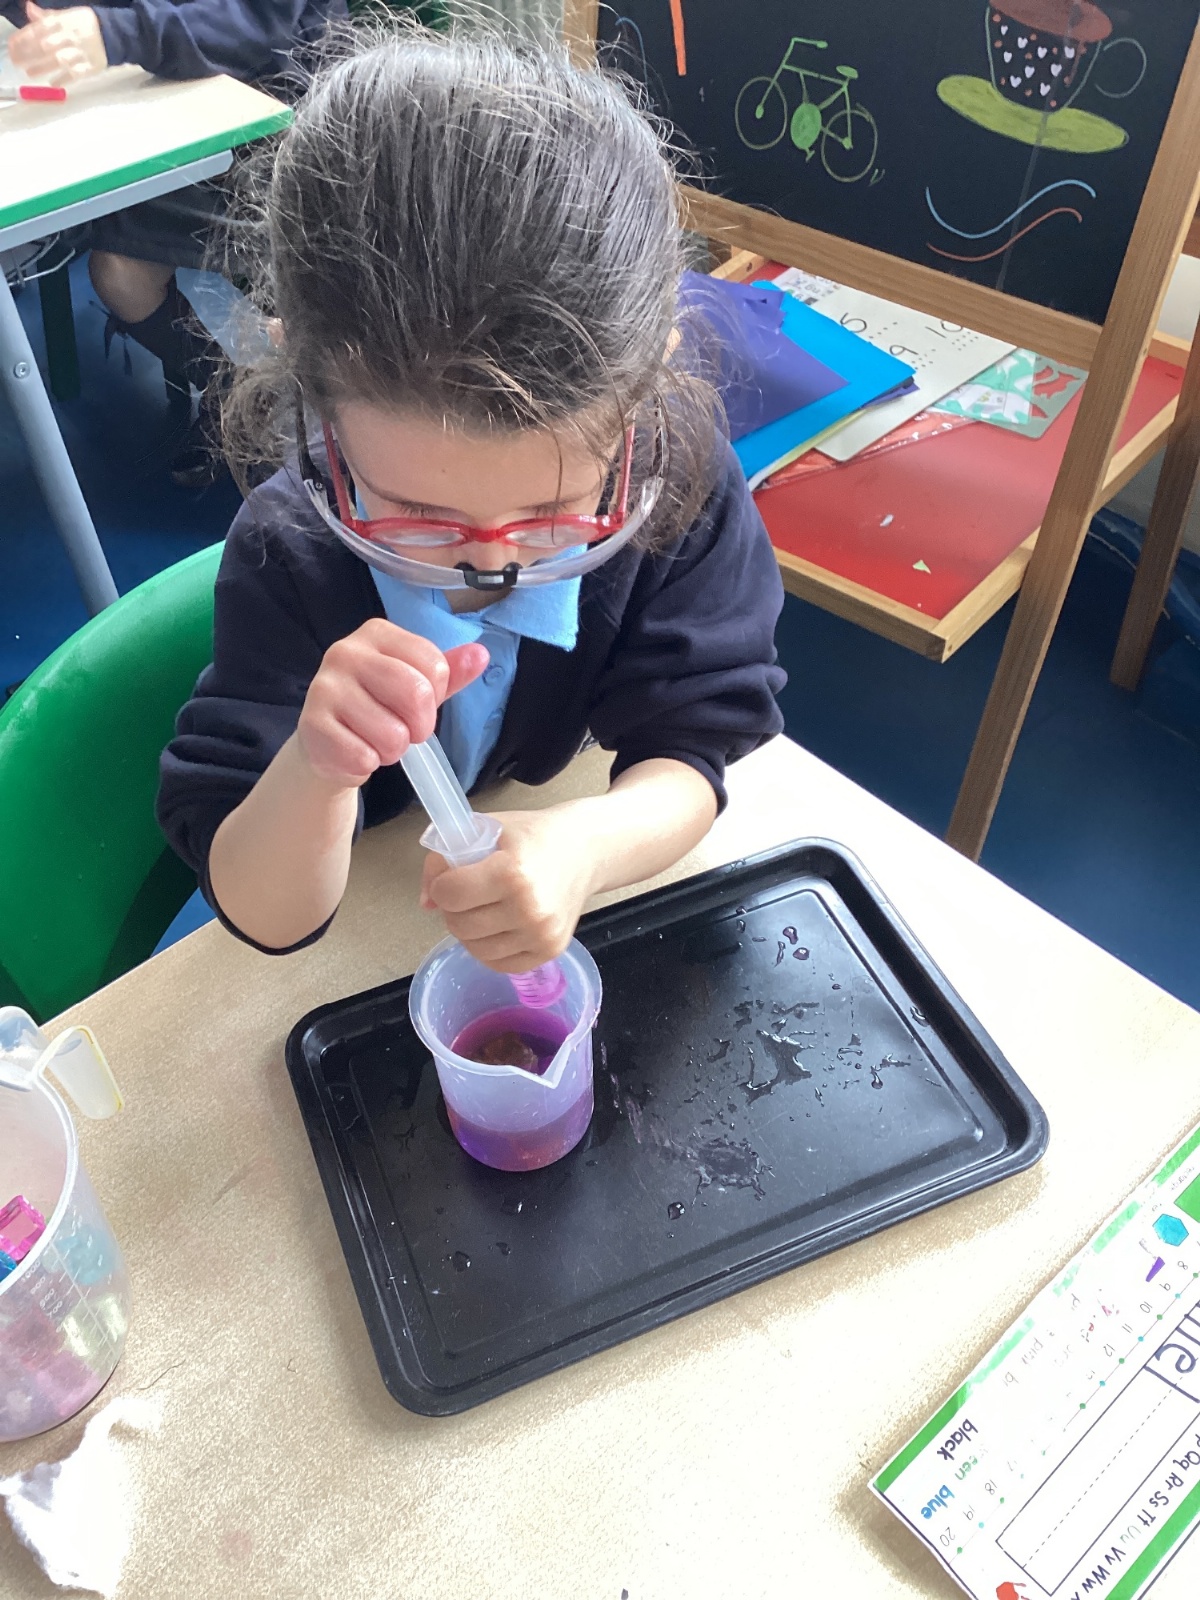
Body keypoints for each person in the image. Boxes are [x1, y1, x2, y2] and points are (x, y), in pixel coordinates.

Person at [156, 24, 786, 976]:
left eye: (553, 514)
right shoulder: (291, 551)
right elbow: (267, 915)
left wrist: (585, 847)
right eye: (417, 517)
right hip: (349, 905)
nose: (491, 563)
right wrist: (317, 771)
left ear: (647, 380)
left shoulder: (675, 482)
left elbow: (695, 742)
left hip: (528, 838)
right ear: (310, 391)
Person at [2, 0, 345, 484]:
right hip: (179, 106)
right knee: (119, 273)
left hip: (293, 131)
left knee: (98, 228)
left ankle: (294, 415)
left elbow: (258, 22)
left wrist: (112, 33)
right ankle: (241, 398)